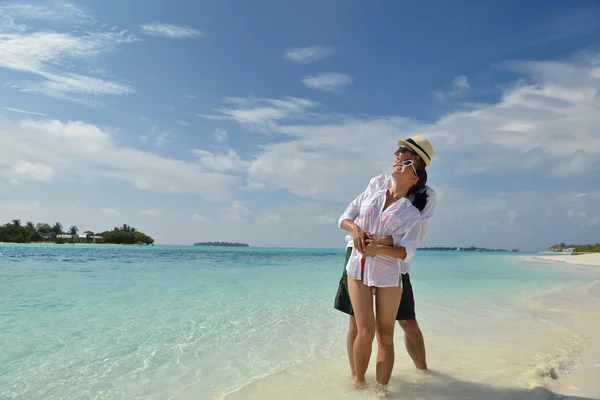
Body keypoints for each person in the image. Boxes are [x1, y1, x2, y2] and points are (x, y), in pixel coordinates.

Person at [334, 135, 436, 382]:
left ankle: (424, 375)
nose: (395, 154)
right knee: (358, 325)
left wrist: (379, 243)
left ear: (415, 160)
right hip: (357, 256)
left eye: (401, 150)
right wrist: (358, 232)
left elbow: (412, 242)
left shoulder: (425, 197)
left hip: (393, 264)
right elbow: (351, 215)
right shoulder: (378, 183)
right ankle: (356, 378)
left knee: (405, 323)